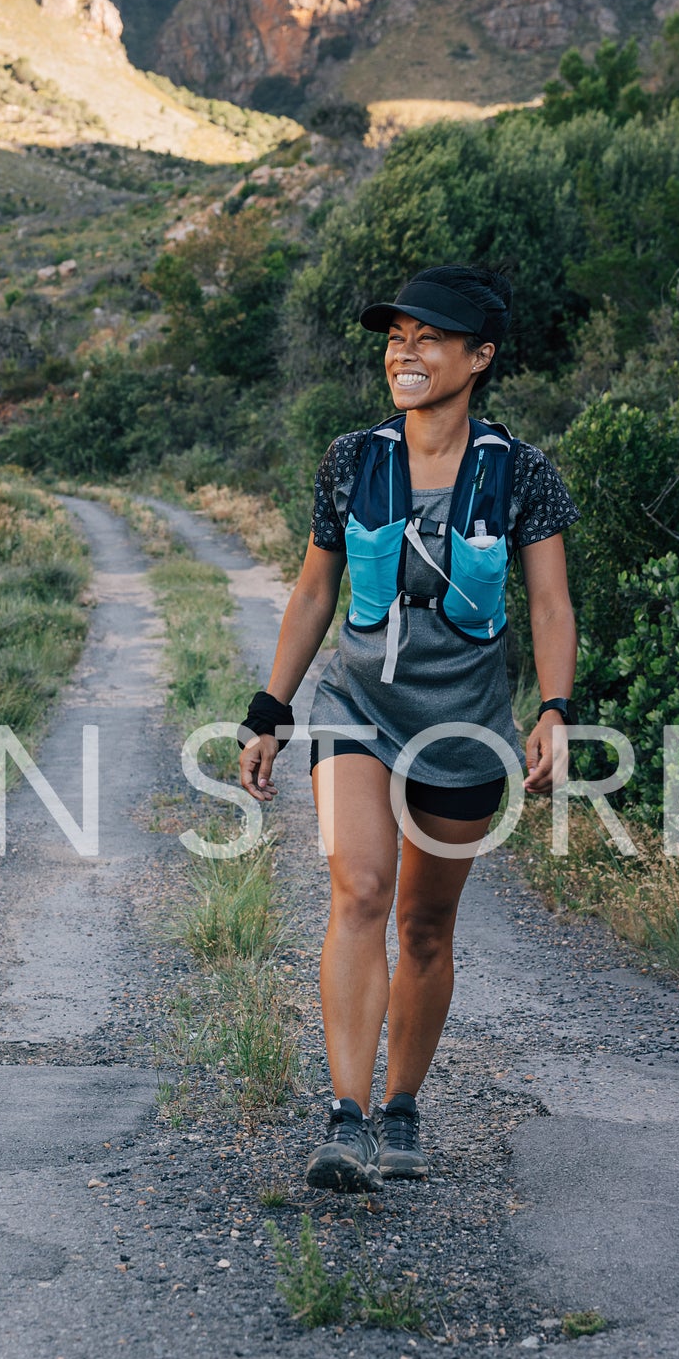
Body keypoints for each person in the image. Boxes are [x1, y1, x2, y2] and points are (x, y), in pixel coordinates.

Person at [237, 264, 578, 1189]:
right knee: (359, 891)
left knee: (425, 925)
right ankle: (344, 1117)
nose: (406, 351)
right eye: (396, 337)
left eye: (429, 337)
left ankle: (399, 1110)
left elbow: (549, 605)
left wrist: (552, 708)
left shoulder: (522, 475)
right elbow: (315, 591)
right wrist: (269, 710)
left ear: (479, 357)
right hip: (355, 706)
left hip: (462, 724)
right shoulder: (352, 459)